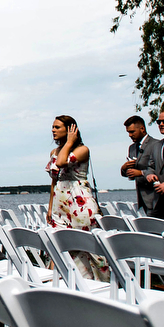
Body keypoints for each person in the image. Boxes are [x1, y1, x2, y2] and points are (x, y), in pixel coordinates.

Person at [44, 115, 108, 281]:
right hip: (60, 202)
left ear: (71, 129)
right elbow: (53, 181)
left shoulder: (82, 149)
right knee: (58, 244)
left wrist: (70, 142)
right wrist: (50, 207)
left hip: (79, 201)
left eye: (57, 127)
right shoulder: (54, 152)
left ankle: (104, 283)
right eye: (53, 127)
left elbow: (61, 163)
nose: (53, 130)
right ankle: (57, 282)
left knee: (89, 246)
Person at [119, 115, 161, 217]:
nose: (129, 135)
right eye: (128, 132)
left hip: (156, 196)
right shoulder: (132, 148)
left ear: (142, 129)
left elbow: (161, 169)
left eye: (132, 132)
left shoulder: (157, 145)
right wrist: (124, 169)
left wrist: (140, 173)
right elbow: (130, 172)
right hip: (142, 196)